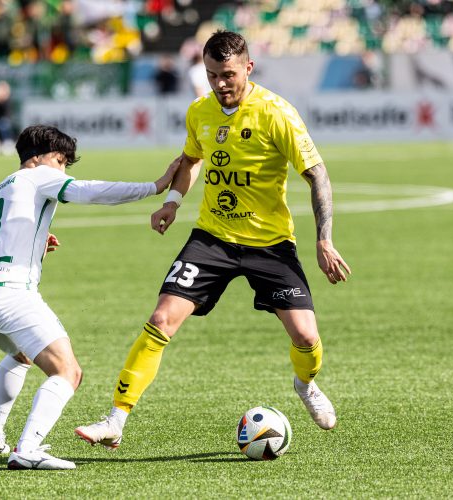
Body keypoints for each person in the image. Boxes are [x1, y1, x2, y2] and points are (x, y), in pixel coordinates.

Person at [75, 30, 350, 449]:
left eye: (228, 75)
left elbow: (318, 175)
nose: (220, 84)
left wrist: (324, 240)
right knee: (161, 319)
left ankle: (305, 384)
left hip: (270, 243)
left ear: (248, 68)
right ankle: (115, 419)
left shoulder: (277, 113)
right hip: (212, 239)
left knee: (307, 338)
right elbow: (191, 158)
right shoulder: (200, 111)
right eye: (211, 75)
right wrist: (172, 201)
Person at [0, 124, 179, 469]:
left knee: (22, 354)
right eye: (61, 162)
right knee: (68, 372)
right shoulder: (39, 176)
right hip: (13, 295)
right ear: (40, 158)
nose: (63, 171)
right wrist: (156, 186)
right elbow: (90, 191)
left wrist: (37, 244)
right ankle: (28, 449)